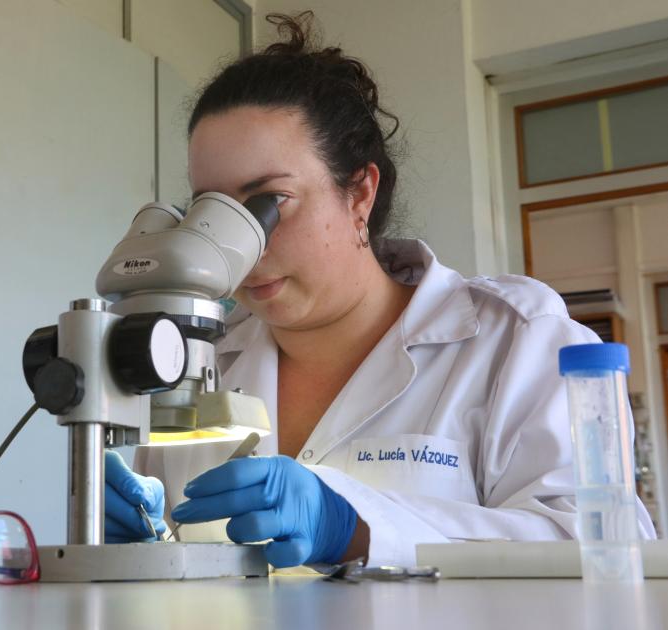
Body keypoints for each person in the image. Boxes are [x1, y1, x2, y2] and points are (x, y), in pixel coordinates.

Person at [102, 12, 656, 569]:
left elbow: (607, 549)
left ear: (360, 193)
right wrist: (142, 552)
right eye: (212, 213)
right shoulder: (202, 360)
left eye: (266, 204)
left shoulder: (515, 341)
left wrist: (356, 527)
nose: (244, 249)